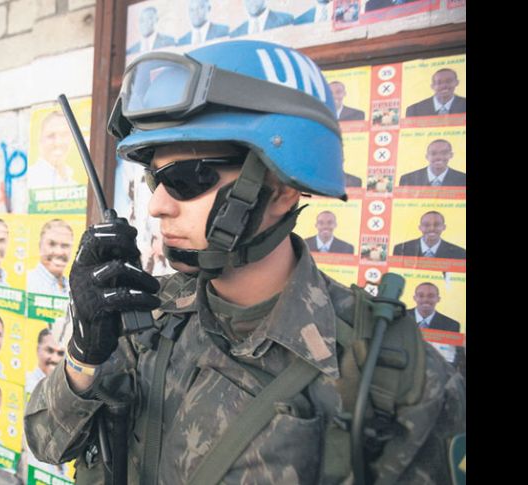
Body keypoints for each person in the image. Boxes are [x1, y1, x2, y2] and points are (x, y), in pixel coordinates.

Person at [25, 40, 465, 484]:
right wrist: (83, 357)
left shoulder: (396, 377)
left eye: (185, 178)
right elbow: (47, 443)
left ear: (281, 188)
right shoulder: (150, 313)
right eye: (154, 178)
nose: (157, 204)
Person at [23, 328, 69, 478]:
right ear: (37, 350)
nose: (55, 358)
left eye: (61, 353)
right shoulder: (28, 383)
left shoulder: (69, 388)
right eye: (49, 350)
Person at [28, 112, 76, 189]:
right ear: (40, 140)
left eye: (64, 135)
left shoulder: (73, 183)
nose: (58, 142)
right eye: (51, 136)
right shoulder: (31, 178)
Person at [27, 219, 74, 296]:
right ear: (40, 246)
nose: (59, 252)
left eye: (65, 245)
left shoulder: (72, 286)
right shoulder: (28, 282)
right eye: (52, 244)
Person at [393, 210, 466, 259]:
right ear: (420, 227)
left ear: (444, 227)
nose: (432, 228)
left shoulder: (459, 253)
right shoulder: (400, 249)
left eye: (437, 224)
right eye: (426, 225)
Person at [399, 139, 466, 187]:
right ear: (427, 156)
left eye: (444, 153)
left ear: (451, 155)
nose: (439, 157)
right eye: (433, 153)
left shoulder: (463, 179)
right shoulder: (408, 179)